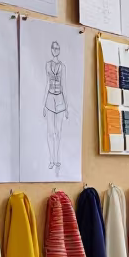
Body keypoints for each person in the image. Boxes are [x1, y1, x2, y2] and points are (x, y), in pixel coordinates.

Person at [43, 40, 69, 171]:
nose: (55, 50)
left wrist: (67, 107)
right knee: (50, 132)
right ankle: (51, 159)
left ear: (59, 50)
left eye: (57, 48)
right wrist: (43, 105)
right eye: (53, 48)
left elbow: (64, 86)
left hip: (59, 99)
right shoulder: (47, 65)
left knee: (58, 132)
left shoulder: (62, 67)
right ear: (51, 49)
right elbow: (47, 84)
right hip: (49, 98)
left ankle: (57, 159)